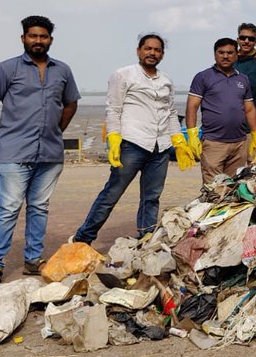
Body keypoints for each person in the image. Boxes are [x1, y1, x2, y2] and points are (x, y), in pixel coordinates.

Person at [0, 16, 80, 284]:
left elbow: (70, 103)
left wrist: (56, 130)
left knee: (39, 207)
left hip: (50, 153)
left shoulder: (63, 71)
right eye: (32, 36)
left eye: (43, 37)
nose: (38, 41)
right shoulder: (5, 69)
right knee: (8, 207)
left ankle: (33, 261)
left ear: (50, 40)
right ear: (23, 38)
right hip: (13, 151)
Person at [74, 34, 193, 246]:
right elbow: (114, 109)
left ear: (162, 54)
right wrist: (114, 139)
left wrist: (179, 141)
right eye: (148, 48)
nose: (152, 53)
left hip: (161, 147)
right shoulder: (123, 75)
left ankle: (146, 238)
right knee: (112, 193)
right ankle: (83, 238)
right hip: (133, 144)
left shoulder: (166, 80)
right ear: (138, 50)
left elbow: (171, 112)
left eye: (157, 50)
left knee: (151, 196)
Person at [185, 37, 256, 183]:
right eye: (221, 52)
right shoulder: (203, 77)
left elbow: (250, 109)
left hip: (239, 143)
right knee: (213, 189)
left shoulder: (243, 79)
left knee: (233, 189)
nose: (225, 56)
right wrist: (192, 135)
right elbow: (192, 106)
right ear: (215, 54)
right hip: (214, 143)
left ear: (236, 54)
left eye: (229, 53)